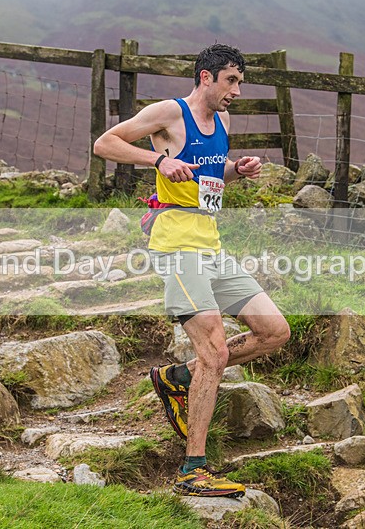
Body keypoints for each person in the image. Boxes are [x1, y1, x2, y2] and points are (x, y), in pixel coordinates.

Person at [93, 43, 290, 498]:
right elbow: (105, 143)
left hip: (211, 243)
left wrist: (236, 169)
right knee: (215, 353)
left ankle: (178, 377)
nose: (236, 91)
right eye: (231, 81)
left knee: (274, 331)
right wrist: (159, 160)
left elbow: (209, 177)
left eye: (240, 82)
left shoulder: (222, 121)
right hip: (176, 245)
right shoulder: (170, 113)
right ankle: (192, 470)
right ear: (206, 77)